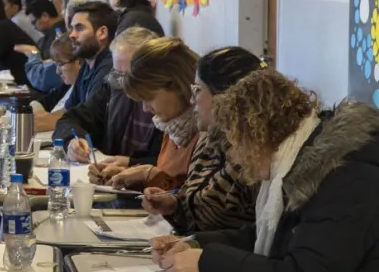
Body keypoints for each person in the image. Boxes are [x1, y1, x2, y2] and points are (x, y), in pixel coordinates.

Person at [154, 71, 379, 272]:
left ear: (259, 133)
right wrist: (195, 243)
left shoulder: (346, 177)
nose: (235, 157)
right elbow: (270, 236)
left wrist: (207, 263)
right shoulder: (305, 165)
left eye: (236, 143)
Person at [142, 47, 262, 233]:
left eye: (197, 90)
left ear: (225, 95)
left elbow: (223, 223)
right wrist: (173, 204)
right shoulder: (209, 139)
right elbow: (195, 201)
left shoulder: (252, 153)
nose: (191, 100)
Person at [102, 38, 200, 191]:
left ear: (178, 86)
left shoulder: (205, 132)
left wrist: (149, 174)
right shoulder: (174, 124)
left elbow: (194, 203)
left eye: (149, 98)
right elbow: (168, 180)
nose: (145, 108)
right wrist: (128, 175)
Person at [60, 27, 163, 166]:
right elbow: (70, 119)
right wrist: (73, 141)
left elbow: (172, 165)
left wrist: (130, 163)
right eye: (117, 73)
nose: (120, 82)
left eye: (126, 75)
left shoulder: (168, 102)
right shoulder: (113, 87)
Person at [63, 1, 116, 110]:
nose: (72, 35)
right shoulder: (87, 64)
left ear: (102, 33)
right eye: (72, 28)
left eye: (79, 28)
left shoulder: (109, 69)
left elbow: (86, 119)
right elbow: (69, 110)